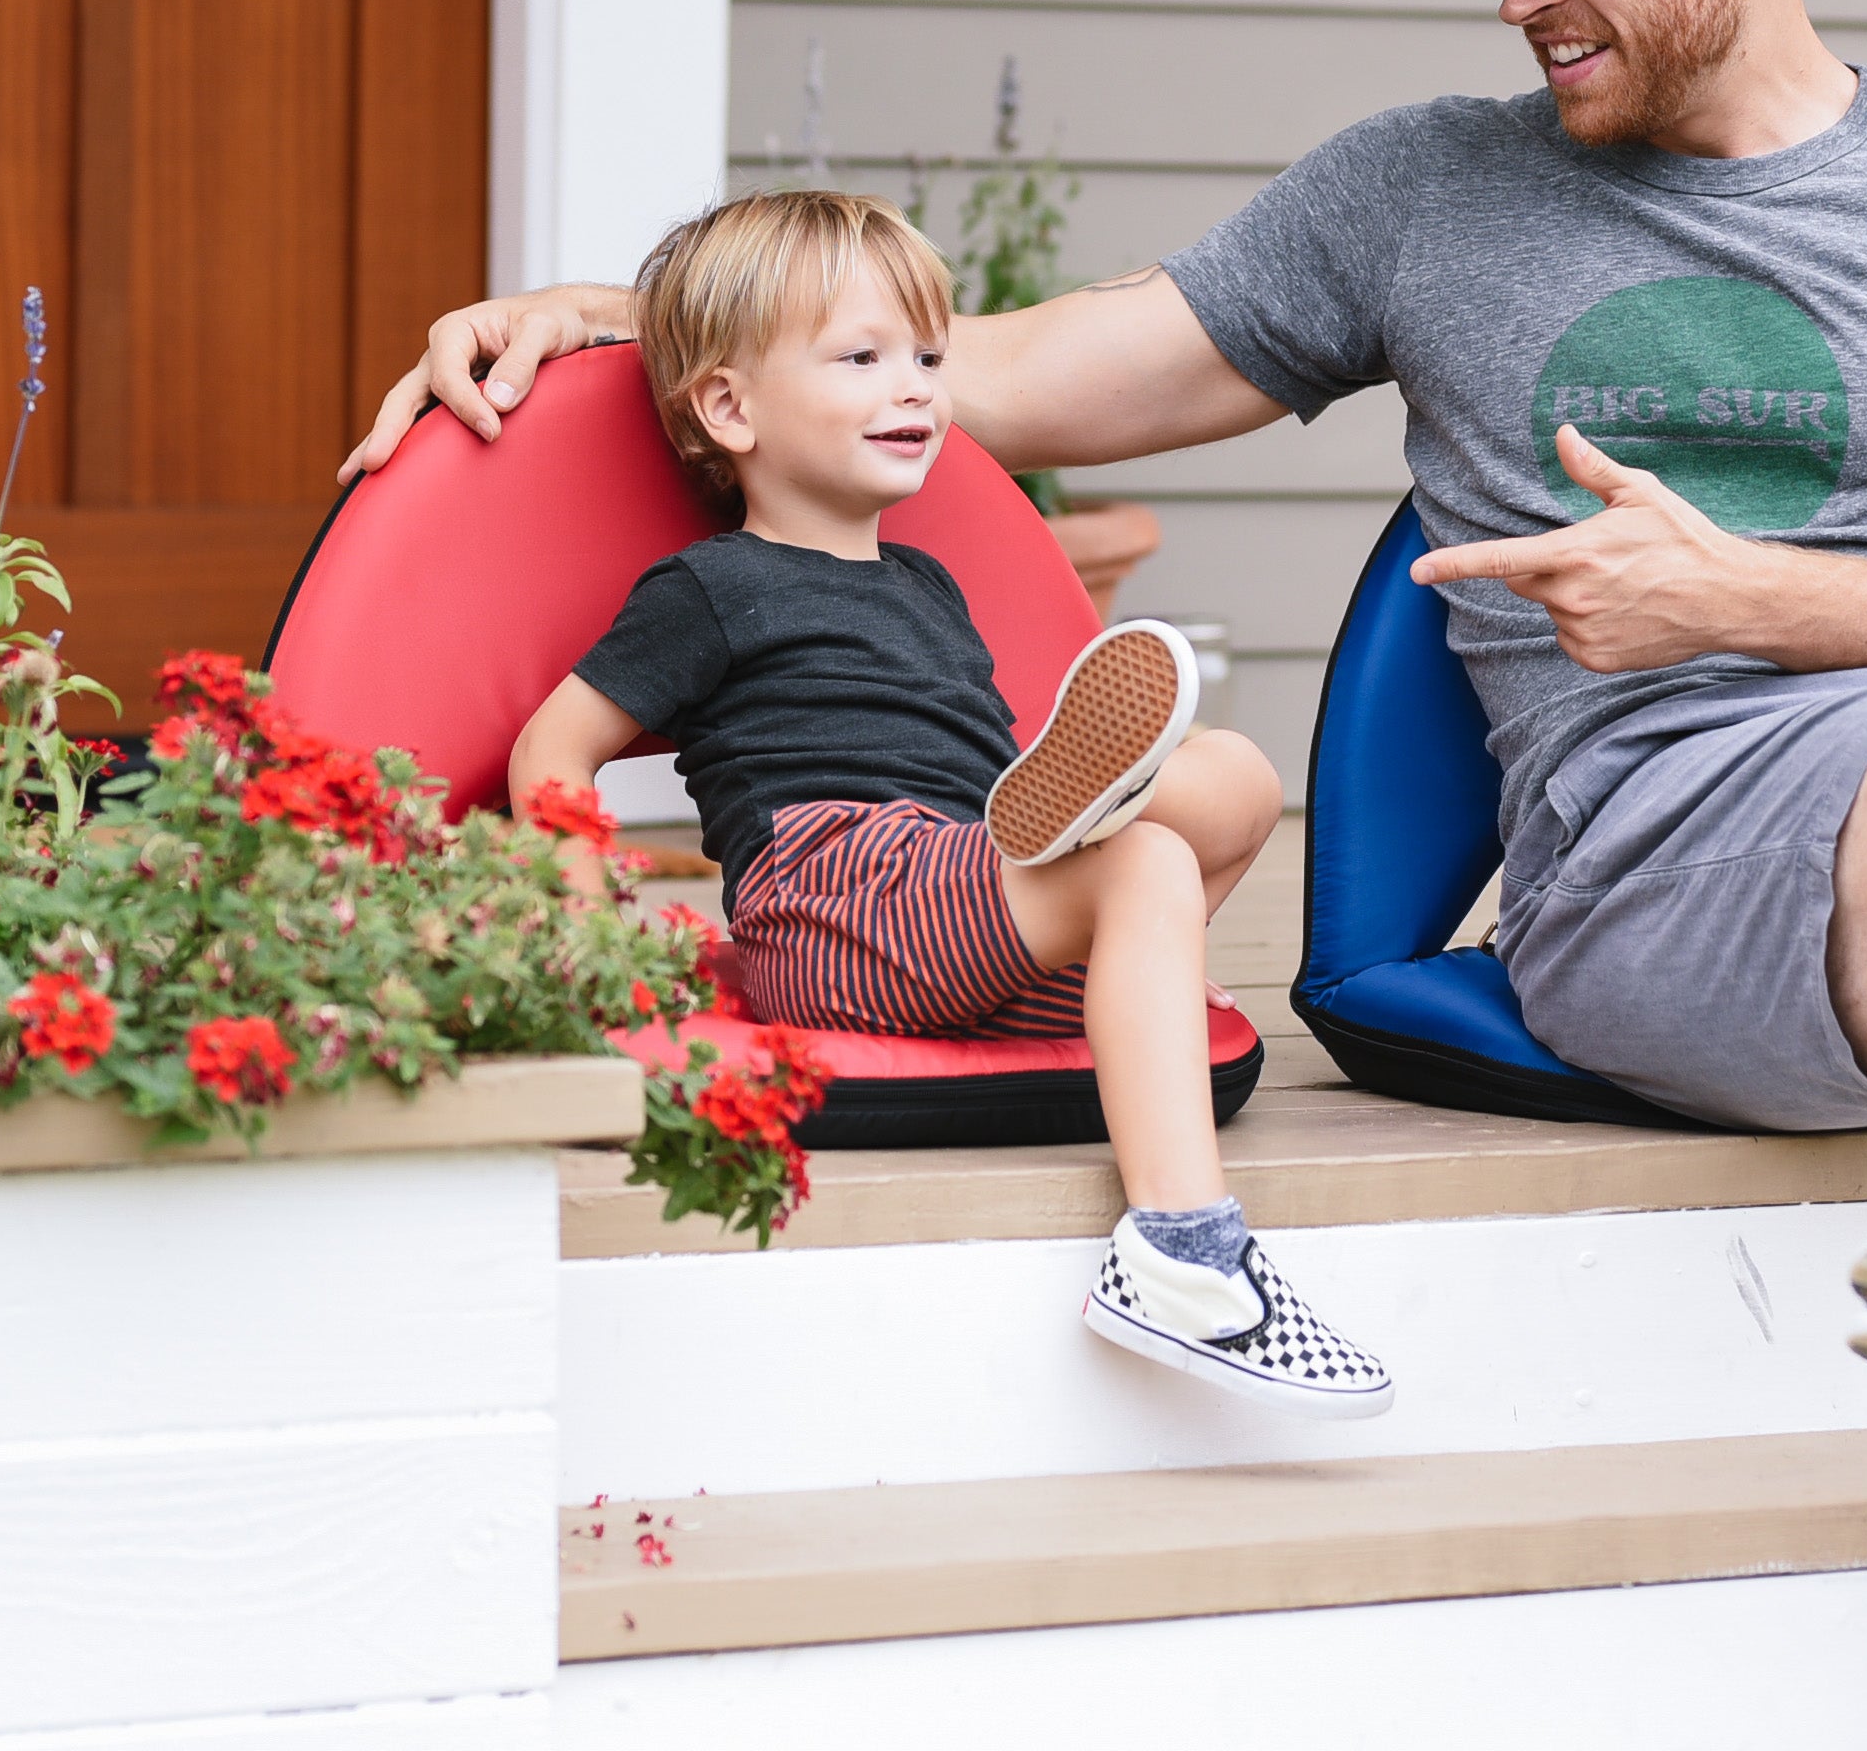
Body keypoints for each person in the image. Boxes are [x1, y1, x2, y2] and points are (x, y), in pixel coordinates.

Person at [364, 0, 1867, 1748]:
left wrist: (1756, 594)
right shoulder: (1421, 192)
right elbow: (1007, 369)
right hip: (1665, 872)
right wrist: (623, 312)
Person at [504, 187, 1392, 1418]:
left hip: (956, 889)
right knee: (1143, 859)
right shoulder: (711, 587)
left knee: (1237, 776)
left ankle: (1102, 882)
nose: (915, 387)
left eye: (928, 357)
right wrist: (583, 939)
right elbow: (553, 745)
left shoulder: (928, 581)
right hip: (831, 894)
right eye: (862, 359)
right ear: (731, 408)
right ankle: (1184, 1254)